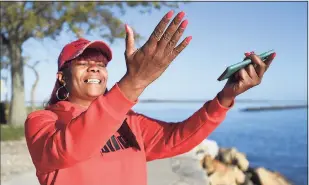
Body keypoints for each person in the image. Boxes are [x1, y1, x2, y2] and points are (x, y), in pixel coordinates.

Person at [24, 10, 276, 185]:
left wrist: (224, 98)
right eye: (83, 63)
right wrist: (134, 83)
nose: (95, 68)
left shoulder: (128, 120)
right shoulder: (42, 121)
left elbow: (176, 138)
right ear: (61, 77)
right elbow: (68, 149)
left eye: (100, 64)